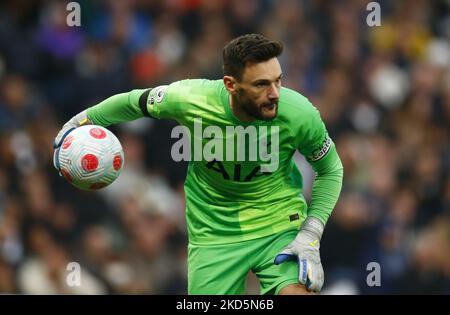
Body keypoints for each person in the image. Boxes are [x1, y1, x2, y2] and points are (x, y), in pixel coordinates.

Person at [53, 34, 344, 295]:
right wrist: (81, 121)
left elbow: (331, 169)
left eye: (278, 80)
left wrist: (311, 232)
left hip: (278, 224)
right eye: (261, 84)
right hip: (213, 232)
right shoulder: (191, 98)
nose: (275, 94)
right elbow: (133, 102)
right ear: (230, 85)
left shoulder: (299, 113)